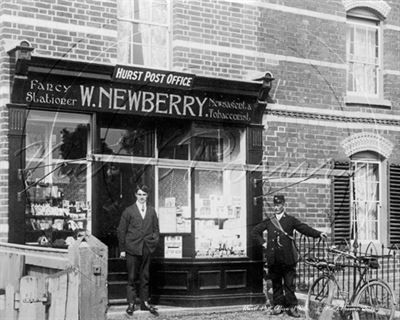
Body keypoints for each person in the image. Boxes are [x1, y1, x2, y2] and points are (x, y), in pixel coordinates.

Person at [252, 194, 327, 318]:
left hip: (287, 259)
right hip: (274, 258)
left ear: (284, 205)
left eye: (279, 205)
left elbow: (304, 228)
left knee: (289, 285)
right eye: (275, 205)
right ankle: (278, 306)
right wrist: (264, 243)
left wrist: (318, 234)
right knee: (276, 284)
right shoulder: (269, 221)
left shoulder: (290, 220)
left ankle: (292, 308)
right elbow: (255, 232)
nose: (276, 207)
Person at [117, 184, 160, 316]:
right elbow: (121, 231)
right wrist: (122, 249)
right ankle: (131, 303)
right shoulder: (128, 211)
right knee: (132, 277)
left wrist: (152, 243)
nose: (142, 197)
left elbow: (156, 230)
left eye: (144, 195)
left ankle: (145, 303)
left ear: (147, 196)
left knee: (145, 276)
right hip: (132, 248)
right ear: (136, 195)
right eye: (140, 194)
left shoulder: (152, 211)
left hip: (146, 248)